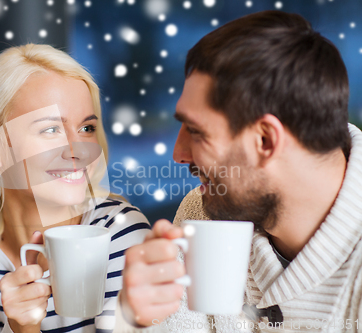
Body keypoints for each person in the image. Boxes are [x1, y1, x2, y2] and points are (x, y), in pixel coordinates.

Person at [115, 10, 362, 333]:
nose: (178, 155)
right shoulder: (202, 214)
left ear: (265, 140)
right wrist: (137, 320)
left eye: (197, 131)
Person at [0, 43, 151, 333]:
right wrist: (22, 328)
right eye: (50, 129)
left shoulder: (122, 231)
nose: (78, 151)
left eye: (86, 129)